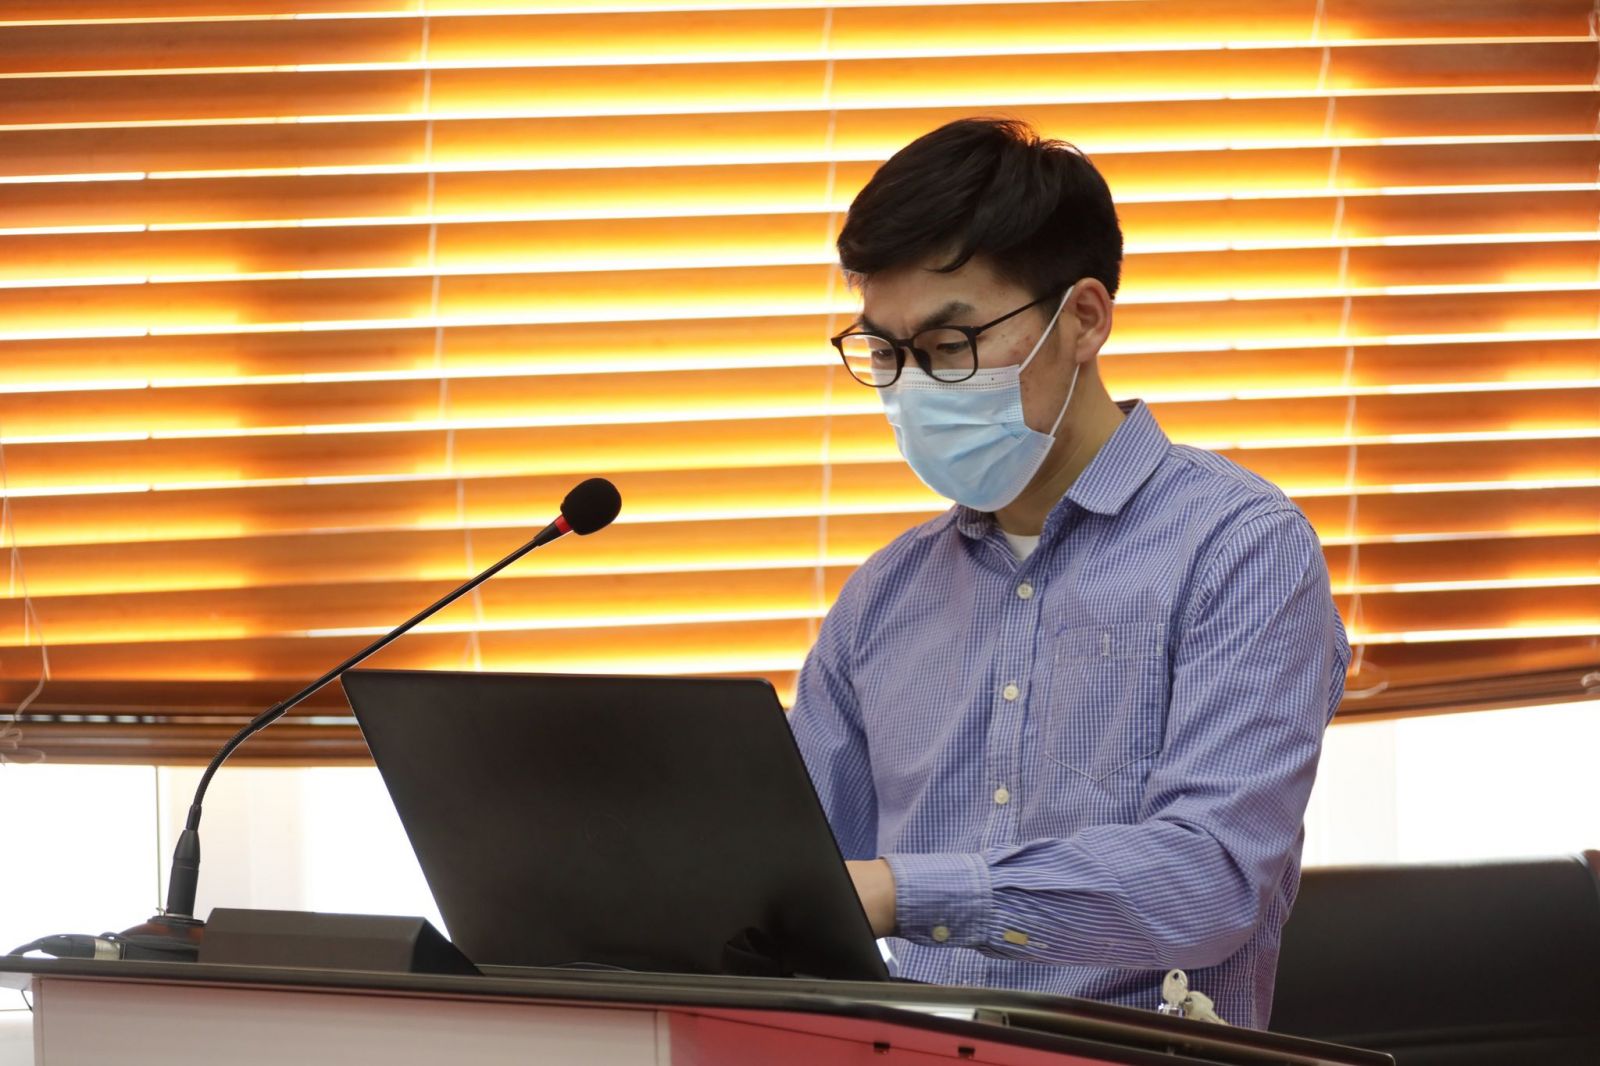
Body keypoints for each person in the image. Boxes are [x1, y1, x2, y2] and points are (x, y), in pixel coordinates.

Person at [787, 117, 1350, 1030]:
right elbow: (788, 877)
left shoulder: (1239, 549)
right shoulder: (883, 597)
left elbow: (1208, 879)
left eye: (949, 346)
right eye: (886, 354)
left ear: (1083, 319)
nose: (911, 388)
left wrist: (903, 890)